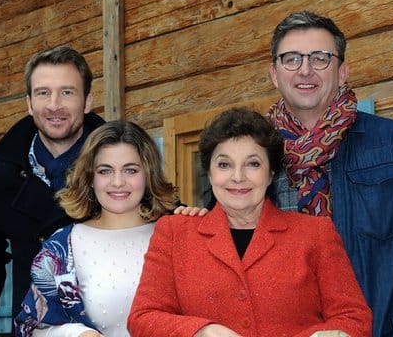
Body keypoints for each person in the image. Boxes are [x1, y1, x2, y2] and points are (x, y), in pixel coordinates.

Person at [266, 10, 393, 336]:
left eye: (320, 58)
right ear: (274, 74)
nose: (305, 69)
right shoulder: (256, 153)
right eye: (291, 59)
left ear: (342, 72)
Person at [128, 108, 372, 337]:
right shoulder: (175, 232)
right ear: (210, 173)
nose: (237, 177)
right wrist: (201, 331)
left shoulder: (315, 233)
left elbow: (354, 318)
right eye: (224, 164)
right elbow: (142, 318)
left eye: (253, 164)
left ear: (271, 174)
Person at [0, 46, 105, 336]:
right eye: (43, 93)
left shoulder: (123, 163)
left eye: (67, 92)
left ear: (87, 101)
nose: (54, 105)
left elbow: (161, 223)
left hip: (110, 323)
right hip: (36, 324)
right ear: (28, 103)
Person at [15, 120, 178, 337]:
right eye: (105, 171)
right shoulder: (62, 247)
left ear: (148, 175)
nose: (118, 182)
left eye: (130, 170)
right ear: (90, 177)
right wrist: (75, 334)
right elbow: (29, 326)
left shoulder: (178, 236)